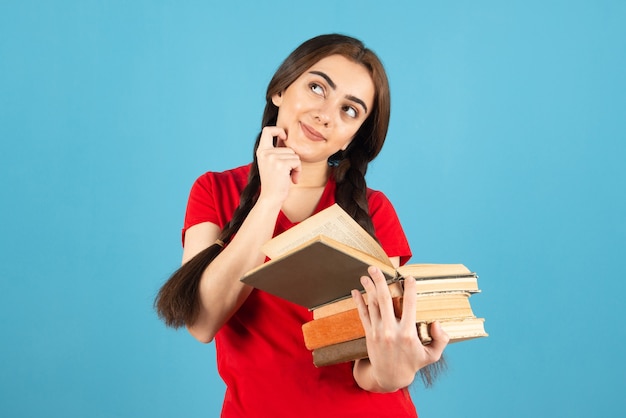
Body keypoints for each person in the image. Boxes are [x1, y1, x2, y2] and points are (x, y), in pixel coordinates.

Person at [155, 33, 449, 417]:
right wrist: (270, 197)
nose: (325, 114)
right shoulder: (213, 191)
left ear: (351, 138)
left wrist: (394, 371)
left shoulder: (374, 210)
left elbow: (366, 372)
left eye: (350, 111)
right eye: (316, 88)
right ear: (280, 90)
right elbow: (202, 321)